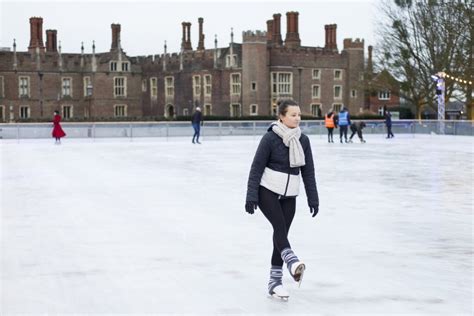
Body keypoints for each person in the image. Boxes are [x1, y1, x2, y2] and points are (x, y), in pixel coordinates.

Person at [245, 99, 319, 300]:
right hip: (267, 191)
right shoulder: (270, 138)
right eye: (293, 115)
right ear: (281, 117)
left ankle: (275, 283)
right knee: (279, 228)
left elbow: (308, 172)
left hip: (289, 195)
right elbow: (256, 167)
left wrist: (313, 198)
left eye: (299, 115)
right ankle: (291, 260)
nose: (297, 118)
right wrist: (251, 195)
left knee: (281, 234)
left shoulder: (303, 141)